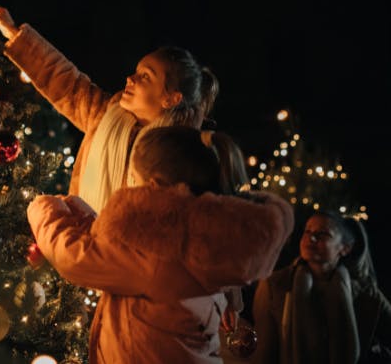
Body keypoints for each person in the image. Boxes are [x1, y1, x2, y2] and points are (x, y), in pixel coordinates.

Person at [26, 126, 294, 364]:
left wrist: (44, 207)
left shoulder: (156, 252)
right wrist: (77, 209)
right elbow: (118, 249)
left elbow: (74, 256)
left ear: (153, 186)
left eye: (134, 180)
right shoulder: (201, 235)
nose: (130, 187)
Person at [0, 6, 219, 214]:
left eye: (145, 76)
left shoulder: (185, 157)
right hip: (86, 249)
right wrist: (15, 33)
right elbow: (65, 81)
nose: (130, 79)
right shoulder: (105, 115)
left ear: (171, 98)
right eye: (136, 71)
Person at [252, 211, 391, 364]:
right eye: (308, 231)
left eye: (323, 234)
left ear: (345, 248)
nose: (311, 238)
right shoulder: (275, 285)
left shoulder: (366, 294)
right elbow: (263, 354)